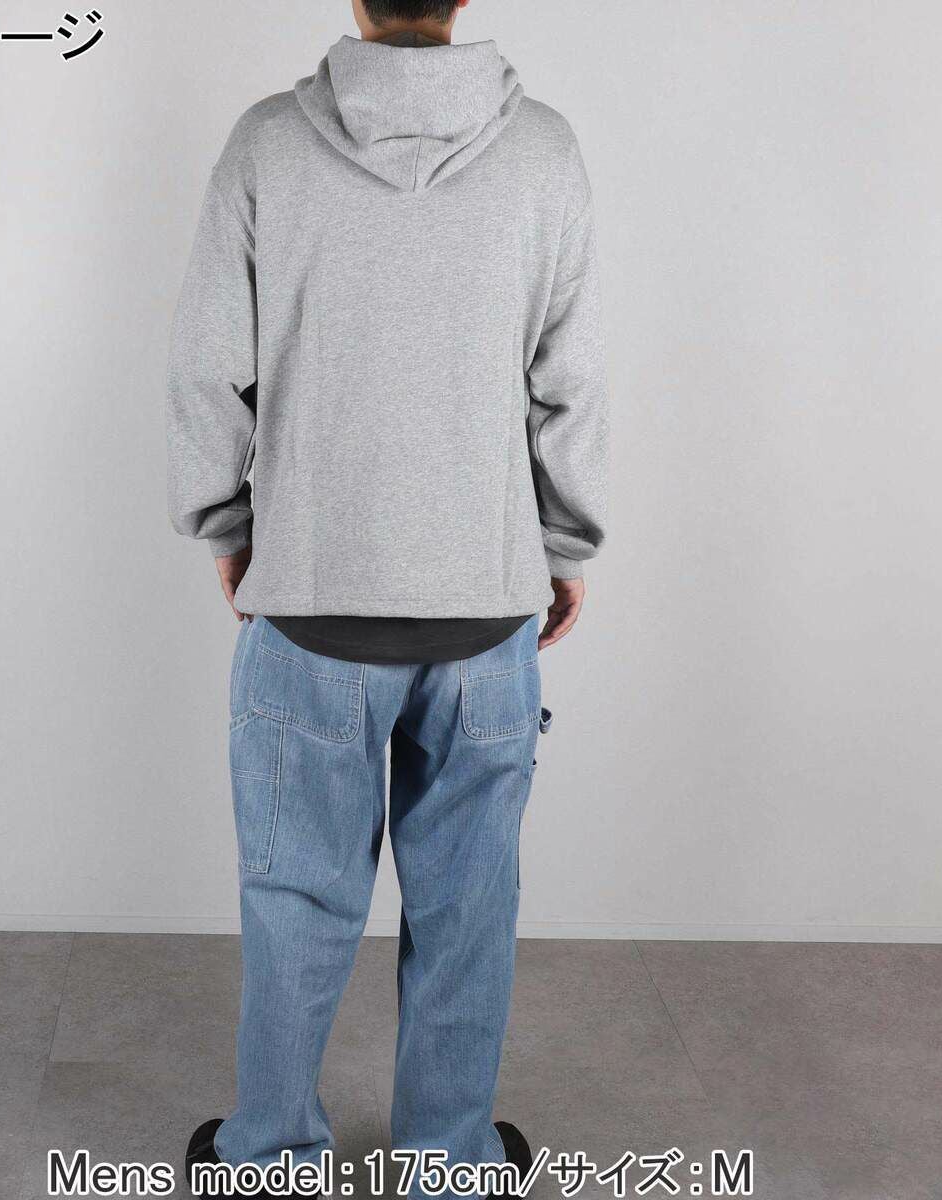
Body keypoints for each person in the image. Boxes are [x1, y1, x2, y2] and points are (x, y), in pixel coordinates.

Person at [167, 0, 607, 1192]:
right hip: (485, 609)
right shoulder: (544, 152)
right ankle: (448, 1163)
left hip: (308, 607)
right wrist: (561, 546)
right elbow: (569, 381)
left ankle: (269, 1159)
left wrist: (227, 528)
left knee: (296, 900)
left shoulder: (269, 144)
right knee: (469, 907)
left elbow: (208, 365)